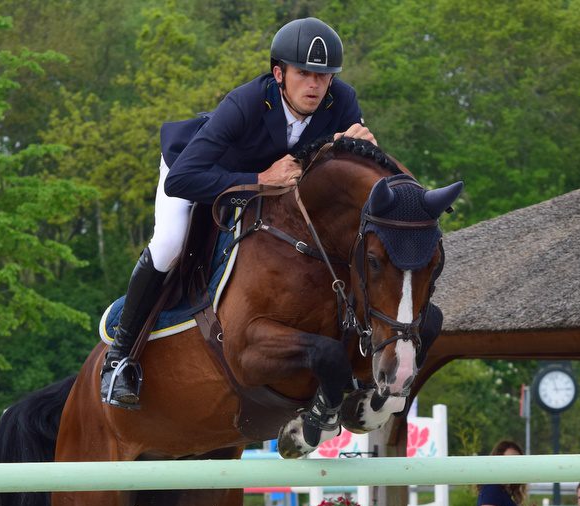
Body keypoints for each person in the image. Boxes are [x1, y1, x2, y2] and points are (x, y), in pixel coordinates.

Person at [100, 17, 376, 409]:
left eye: (324, 75)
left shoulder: (341, 99)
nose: (315, 85)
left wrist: (364, 148)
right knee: (168, 244)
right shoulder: (244, 103)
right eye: (304, 74)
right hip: (197, 171)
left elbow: (352, 168)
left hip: (270, 190)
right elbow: (184, 180)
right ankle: (119, 358)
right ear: (279, 73)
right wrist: (259, 177)